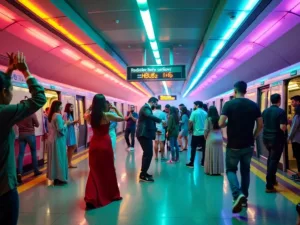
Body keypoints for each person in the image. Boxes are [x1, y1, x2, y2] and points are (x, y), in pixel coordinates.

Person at [0, 52, 46, 225]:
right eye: (11, 89)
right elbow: (39, 98)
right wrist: (25, 72)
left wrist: (9, 73)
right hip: (4, 189)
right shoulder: (4, 113)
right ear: (4, 92)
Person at [219, 81, 263, 213]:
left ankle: (238, 195)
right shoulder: (254, 105)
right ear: (245, 90)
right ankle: (244, 198)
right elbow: (260, 125)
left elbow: (221, 123)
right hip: (248, 145)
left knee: (231, 170)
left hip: (233, 145)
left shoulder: (229, 104)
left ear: (235, 91)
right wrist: (253, 137)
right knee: (245, 171)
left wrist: (228, 122)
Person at [84, 94, 124, 209]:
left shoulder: (90, 116)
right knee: (108, 170)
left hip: (94, 144)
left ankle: (91, 198)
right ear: (104, 104)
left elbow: (84, 115)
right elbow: (121, 117)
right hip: (105, 144)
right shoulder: (107, 115)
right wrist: (114, 108)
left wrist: (90, 108)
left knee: (94, 171)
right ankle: (110, 195)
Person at [262, 94, 287, 192]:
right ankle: (269, 185)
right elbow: (282, 127)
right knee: (273, 160)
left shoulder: (265, 111)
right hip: (276, 139)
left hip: (266, 139)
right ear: (279, 100)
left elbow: (263, 123)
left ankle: (272, 179)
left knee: (271, 158)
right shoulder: (281, 112)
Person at [136, 97, 162, 182]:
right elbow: (150, 116)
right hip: (144, 134)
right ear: (152, 102)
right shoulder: (145, 108)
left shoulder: (146, 108)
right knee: (148, 154)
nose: (156, 105)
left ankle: (144, 172)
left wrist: (155, 129)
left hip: (145, 134)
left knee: (148, 154)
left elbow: (148, 121)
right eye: (155, 103)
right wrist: (160, 121)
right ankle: (143, 175)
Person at [16, 110, 42, 184]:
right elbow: (37, 124)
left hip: (21, 135)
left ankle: (19, 173)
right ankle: (36, 171)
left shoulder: (19, 114)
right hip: (30, 134)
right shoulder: (31, 113)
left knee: (21, 154)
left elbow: (16, 123)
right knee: (33, 152)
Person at [47, 101, 69, 186]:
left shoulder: (51, 115)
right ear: (57, 107)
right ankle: (61, 178)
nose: (62, 107)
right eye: (61, 106)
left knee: (54, 159)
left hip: (51, 139)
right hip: (58, 140)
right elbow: (60, 129)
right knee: (60, 158)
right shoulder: (58, 116)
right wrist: (66, 124)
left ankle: (55, 177)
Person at [186, 101, 207, 168]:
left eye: (194, 105)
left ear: (197, 105)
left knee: (193, 148)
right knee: (204, 148)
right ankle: (203, 163)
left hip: (196, 133)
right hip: (204, 134)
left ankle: (191, 162)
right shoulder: (205, 113)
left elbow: (190, 122)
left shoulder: (194, 112)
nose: (193, 106)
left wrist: (189, 129)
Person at [204, 106, 224, 175]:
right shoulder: (219, 119)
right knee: (218, 154)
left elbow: (206, 130)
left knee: (210, 154)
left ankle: (211, 171)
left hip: (211, 137)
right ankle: (218, 171)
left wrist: (205, 137)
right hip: (219, 137)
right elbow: (221, 129)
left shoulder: (208, 119)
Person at [63, 103, 79, 168]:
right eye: (71, 107)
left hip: (71, 131)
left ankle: (68, 163)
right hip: (68, 132)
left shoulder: (70, 115)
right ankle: (68, 163)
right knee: (73, 146)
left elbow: (70, 123)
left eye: (72, 107)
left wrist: (74, 122)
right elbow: (65, 123)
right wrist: (74, 122)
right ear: (67, 107)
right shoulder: (65, 114)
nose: (72, 109)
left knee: (71, 147)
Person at [289, 106, 300, 182]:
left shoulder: (297, 116)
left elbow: (293, 128)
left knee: (298, 158)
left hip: (297, 140)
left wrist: (288, 138)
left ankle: (299, 175)